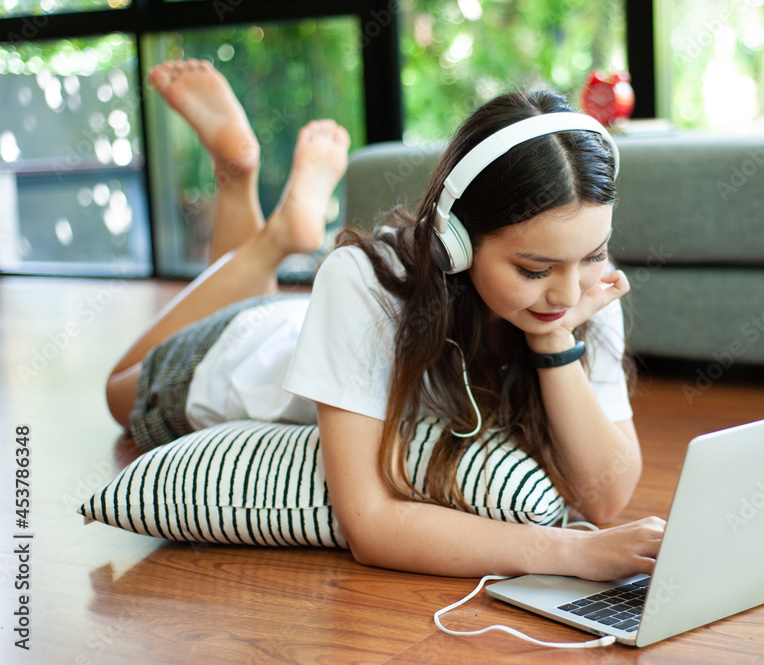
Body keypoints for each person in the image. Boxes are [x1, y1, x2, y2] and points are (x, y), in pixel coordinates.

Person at [105, 59, 665, 582]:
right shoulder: (360, 280)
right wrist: (569, 553)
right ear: (457, 243)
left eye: (593, 254)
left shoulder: (575, 292)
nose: (569, 290)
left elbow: (605, 496)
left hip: (319, 331)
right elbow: (368, 525)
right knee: (116, 391)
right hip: (233, 353)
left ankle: (248, 190)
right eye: (534, 268)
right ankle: (269, 224)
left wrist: (555, 341)